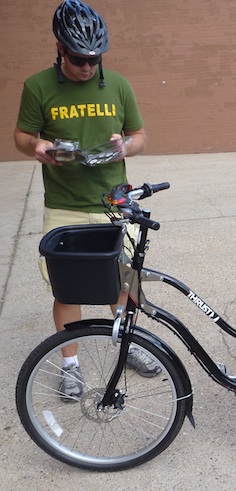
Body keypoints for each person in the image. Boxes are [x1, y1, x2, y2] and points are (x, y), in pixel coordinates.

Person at [14, 0, 160, 401]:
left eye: (95, 59)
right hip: (65, 203)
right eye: (79, 59)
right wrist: (38, 145)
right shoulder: (37, 86)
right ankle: (71, 367)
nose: (87, 67)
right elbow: (21, 137)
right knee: (69, 289)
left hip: (114, 201)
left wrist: (125, 146)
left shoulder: (118, 85)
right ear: (60, 48)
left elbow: (141, 137)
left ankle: (129, 347)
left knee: (125, 281)